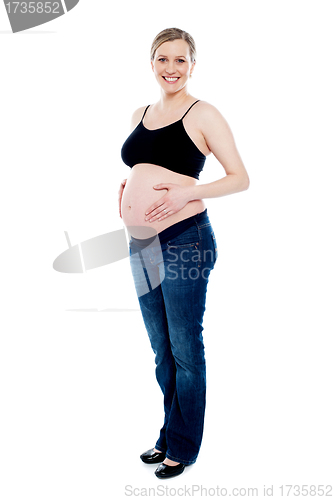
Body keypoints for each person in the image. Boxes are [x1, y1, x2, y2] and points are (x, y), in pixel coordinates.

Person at [118, 27, 250, 479]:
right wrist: (126, 189)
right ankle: (168, 434)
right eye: (163, 59)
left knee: (185, 349)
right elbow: (144, 165)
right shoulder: (141, 112)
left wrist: (185, 192)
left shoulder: (203, 113)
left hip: (184, 241)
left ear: (193, 65)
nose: (171, 68)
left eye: (180, 60)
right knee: (161, 350)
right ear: (151, 63)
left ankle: (184, 447)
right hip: (140, 244)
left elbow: (239, 177)